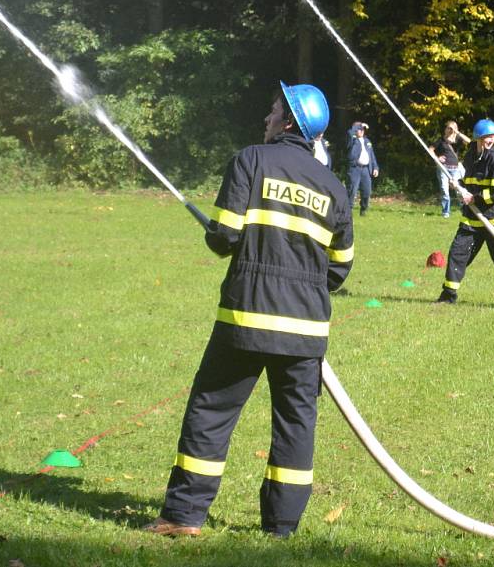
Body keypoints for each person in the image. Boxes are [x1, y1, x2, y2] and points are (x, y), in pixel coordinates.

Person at [143, 82, 354, 538]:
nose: (266, 117)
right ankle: (281, 528)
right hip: (305, 331)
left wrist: (219, 237)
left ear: (290, 122)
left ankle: (183, 516)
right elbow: (339, 269)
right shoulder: (335, 188)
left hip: (245, 320)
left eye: (274, 109)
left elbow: (225, 237)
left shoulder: (251, 161)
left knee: (211, 411)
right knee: (296, 426)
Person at [435, 118, 494, 308]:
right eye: (487, 137)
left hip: (493, 220)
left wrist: (474, 198)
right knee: (457, 254)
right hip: (471, 220)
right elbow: (470, 184)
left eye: (493, 137)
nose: (491, 140)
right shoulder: (471, 156)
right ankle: (448, 295)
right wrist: (459, 186)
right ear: (478, 138)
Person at [429, 120, 470, 218]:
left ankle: (464, 210)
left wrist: (458, 132)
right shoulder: (441, 140)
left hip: (455, 169)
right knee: (444, 190)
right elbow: (430, 149)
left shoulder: (458, 140)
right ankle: (446, 212)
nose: (450, 130)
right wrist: (437, 158)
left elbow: (469, 142)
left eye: (452, 128)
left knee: (459, 190)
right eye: (448, 128)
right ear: (445, 129)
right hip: (443, 168)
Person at [346, 121, 380, 216]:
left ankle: (363, 210)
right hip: (355, 168)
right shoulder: (352, 140)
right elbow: (350, 132)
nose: (361, 131)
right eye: (359, 129)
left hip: (366, 169)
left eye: (362, 129)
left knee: (367, 191)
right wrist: (358, 126)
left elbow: (372, 156)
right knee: (352, 190)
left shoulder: (367, 141)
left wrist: (375, 167)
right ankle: (348, 211)